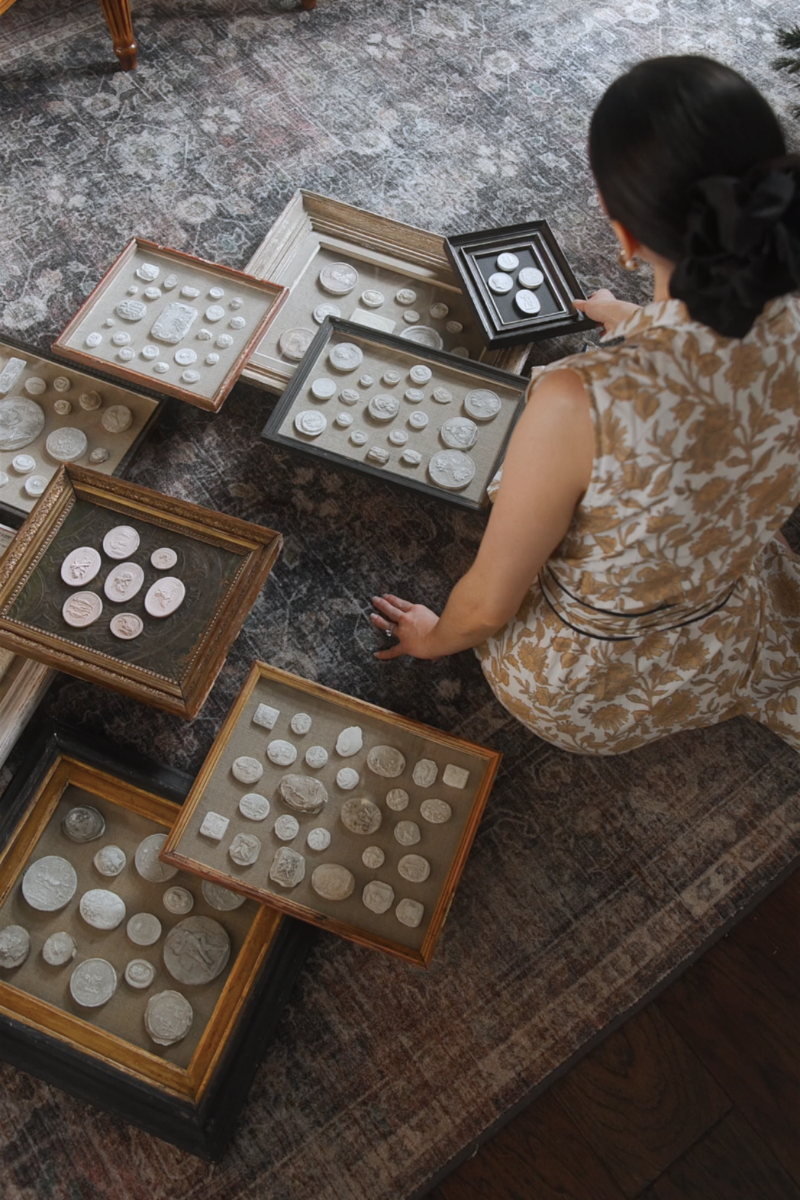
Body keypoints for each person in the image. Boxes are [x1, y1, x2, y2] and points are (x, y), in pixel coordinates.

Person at [370, 55, 800, 755]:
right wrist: (639, 319)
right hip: (731, 607)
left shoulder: (578, 400)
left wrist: (432, 636)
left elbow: (487, 608)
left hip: (599, 686)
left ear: (623, 234)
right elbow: (731, 372)